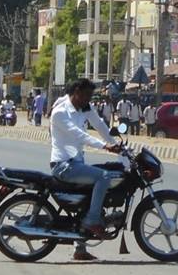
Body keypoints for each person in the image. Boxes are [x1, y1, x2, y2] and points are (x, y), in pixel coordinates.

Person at [49, 78, 124, 262]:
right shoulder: (60, 112)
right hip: (64, 165)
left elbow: (99, 125)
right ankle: (93, 221)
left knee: (88, 198)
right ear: (76, 92)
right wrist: (105, 146)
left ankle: (80, 249)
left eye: (90, 96)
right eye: (86, 96)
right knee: (104, 177)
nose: (88, 100)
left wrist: (118, 148)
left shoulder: (84, 108)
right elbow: (79, 134)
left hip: (77, 163)